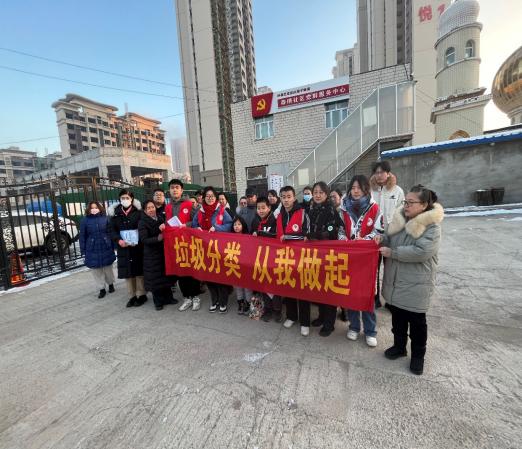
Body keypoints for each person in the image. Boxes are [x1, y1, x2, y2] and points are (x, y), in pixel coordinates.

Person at [376, 185, 444, 375]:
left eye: (411, 202)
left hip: (416, 283)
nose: (406, 205)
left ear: (424, 205)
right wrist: (381, 239)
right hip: (396, 281)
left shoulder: (432, 226)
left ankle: (418, 357)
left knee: (417, 324)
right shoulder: (399, 220)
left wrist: (393, 253)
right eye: (405, 201)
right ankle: (399, 347)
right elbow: (389, 238)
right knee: (397, 318)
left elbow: (422, 251)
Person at [343, 175, 383, 347]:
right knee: (350, 292)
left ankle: (370, 331)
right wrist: (346, 240)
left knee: (366, 293)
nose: (356, 191)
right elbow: (340, 229)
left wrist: (363, 241)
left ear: (366, 189)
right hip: (349, 256)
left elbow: (379, 231)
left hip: (367, 258)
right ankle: (353, 326)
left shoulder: (374, 208)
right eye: (353, 188)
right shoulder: (344, 207)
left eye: (359, 187)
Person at [307, 182, 346, 337]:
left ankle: (329, 324)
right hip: (315, 254)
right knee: (319, 287)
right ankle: (321, 316)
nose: (317, 195)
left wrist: (319, 234)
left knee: (328, 289)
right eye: (315, 192)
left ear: (326, 194)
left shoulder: (331, 209)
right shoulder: (312, 210)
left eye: (321, 192)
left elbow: (334, 228)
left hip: (328, 254)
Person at [276, 185, 311, 336]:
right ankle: (291, 316)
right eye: (283, 197)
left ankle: (305, 322)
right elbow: (278, 237)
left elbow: (307, 235)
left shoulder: (303, 213)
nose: (286, 200)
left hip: (301, 257)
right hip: (285, 258)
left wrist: (288, 237)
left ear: (294, 197)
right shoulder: (279, 215)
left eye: (288, 197)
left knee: (302, 290)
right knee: (288, 287)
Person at [192, 186, 233, 312]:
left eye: (212, 196)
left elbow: (230, 224)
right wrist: (197, 229)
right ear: (204, 198)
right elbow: (194, 225)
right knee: (209, 276)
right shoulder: (200, 211)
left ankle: (223, 301)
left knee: (220, 276)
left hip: (219, 249)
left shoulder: (221, 210)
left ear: (216, 198)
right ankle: (214, 300)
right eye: (207, 196)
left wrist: (217, 228)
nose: (210, 198)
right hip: (204, 249)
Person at [165, 179, 202, 312]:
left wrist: (185, 225)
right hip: (175, 245)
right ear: (169, 190)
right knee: (180, 272)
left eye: (177, 187)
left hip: (189, 243)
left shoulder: (188, 204)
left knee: (192, 270)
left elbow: (196, 221)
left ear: (181, 190)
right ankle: (187, 298)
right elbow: (168, 223)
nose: (174, 190)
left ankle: (196, 297)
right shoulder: (167, 207)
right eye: (172, 187)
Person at [109, 189, 146, 308]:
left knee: (139, 272)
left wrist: (138, 239)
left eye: (127, 198)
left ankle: (141, 295)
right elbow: (111, 230)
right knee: (128, 273)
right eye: (122, 198)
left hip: (137, 247)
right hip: (123, 248)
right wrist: (118, 240)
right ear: (119, 199)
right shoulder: (115, 214)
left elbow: (143, 227)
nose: (125, 200)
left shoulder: (139, 212)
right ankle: (132, 296)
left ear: (132, 199)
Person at [139, 200, 178, 311]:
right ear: (145, 211)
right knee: (155, 279)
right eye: (148, 208)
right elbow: (144, 239)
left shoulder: (161, 218)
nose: (151, 209)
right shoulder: (142, 222)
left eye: (152, 207)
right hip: (152, 255)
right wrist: (158, 238)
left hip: (163, 252)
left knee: (165, 277)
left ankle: (169, 298)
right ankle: (158, 302)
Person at [251, 196, 282, 323]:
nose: (261, 210)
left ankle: (277, 310)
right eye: (258, 208)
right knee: (263, 284)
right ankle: (267, 310)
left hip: (273, 258)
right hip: (260, 258)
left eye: (263, 208)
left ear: (269, 208)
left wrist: (260, 234)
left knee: (274, 285)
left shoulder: (275, 220)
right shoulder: (255, 221)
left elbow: (276, 236)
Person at [79, 201, 116, 298]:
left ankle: (111, 284)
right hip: (92, 247)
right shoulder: (85, 220)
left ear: (100, 208)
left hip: (105, 246)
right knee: (96, 270)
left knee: (108, 268)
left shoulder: (105, 218)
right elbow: (82, 236)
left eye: (96, 207)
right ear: (89, 209)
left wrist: (114, 246)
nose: (94, 209)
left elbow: (111, 232)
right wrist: (83, 250)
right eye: (92, 208)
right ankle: (101, 289)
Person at [370, 161, 405, 228]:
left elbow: (402, 210)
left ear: (388, 174)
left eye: (382, 172)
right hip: (373, 229)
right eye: (377, 173)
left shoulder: (397, 191)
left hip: (392, 229)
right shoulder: (369, 191)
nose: (379, 175)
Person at [231, 215, 252, 315]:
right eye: (235, 224)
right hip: (235, 266)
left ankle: (248, 304)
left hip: (245, 266)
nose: (237, 226)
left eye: (239, 224)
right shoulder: (228, 237)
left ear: (243, 225)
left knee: (247, 287)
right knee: (238, 287)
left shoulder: (248, 237)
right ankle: (240, 303)